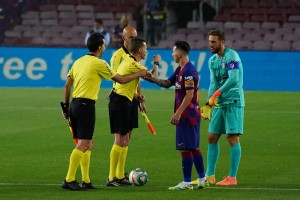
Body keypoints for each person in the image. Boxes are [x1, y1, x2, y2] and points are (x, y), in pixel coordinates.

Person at [61, 33, 148, 191]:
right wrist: (139, 74)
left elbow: (67, 85)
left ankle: (86, 180)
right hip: (86, 105)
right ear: (100, 47)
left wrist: (66, 106)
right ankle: (69, 179)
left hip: (74, 104)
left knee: (89, 143)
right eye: (104, 45)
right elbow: (121, 80)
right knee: (83, 143)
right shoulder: (99, 63)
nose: (105, 48)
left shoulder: (78, 61)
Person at [144, 41, 209, 190]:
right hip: (189, 114)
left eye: (173, 52)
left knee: (185, 148)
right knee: (193, 147)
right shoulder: (181, 69)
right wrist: (149, 77)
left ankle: (187, 182)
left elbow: (189, 94)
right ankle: (202, 178)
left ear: (179, 53)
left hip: (188, 114)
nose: (172, 54)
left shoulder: (188, 71)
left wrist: (178, 113)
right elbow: (167, 83)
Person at [107, 27, 159, 187]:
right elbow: (154, 78)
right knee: (119, 139)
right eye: (145, 49)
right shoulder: (129, 62)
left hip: (127, 100)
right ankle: (111, 178)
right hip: (119, 101)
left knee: (125, 139)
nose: (147, 52)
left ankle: (119, 175)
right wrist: (156, 63)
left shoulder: (132, 62)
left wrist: (138, 98)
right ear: (138, 50)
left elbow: (134, 81)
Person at [203, 29, 245, 186]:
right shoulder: (212, 60)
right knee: (212, 137)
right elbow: (213, 82)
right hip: (219, 102)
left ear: (222, 42)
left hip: (233, 101)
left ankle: (232, 177)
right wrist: (209, 103)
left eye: (213, 42)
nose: (210, 45)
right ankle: (209, 176)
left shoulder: (231, 56)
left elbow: (234, 78)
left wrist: (217, 94)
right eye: (209, 41)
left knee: (232, 137)